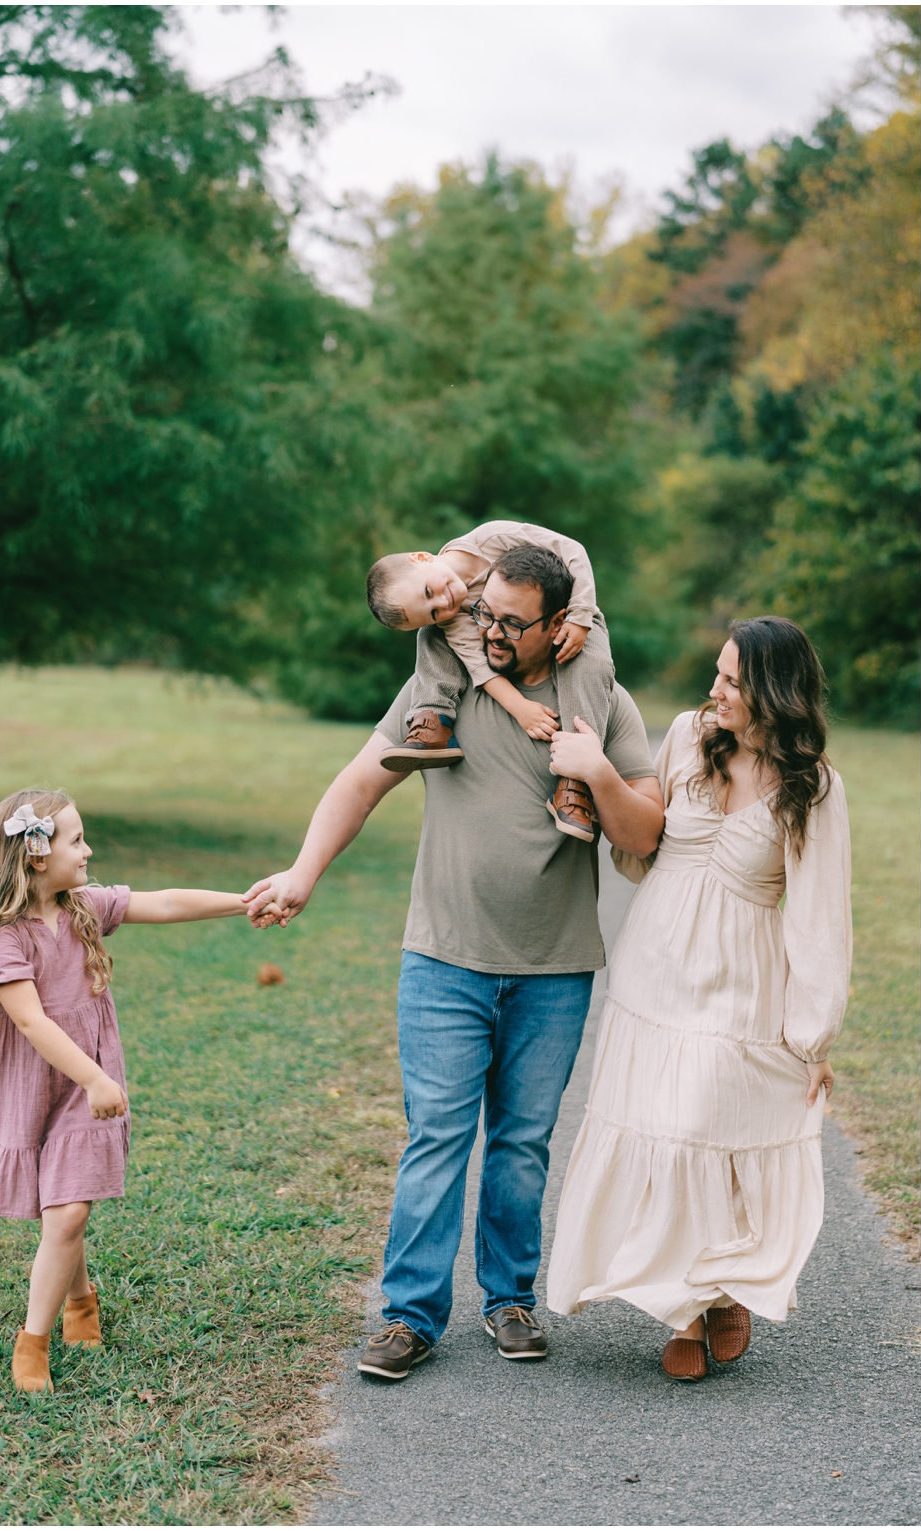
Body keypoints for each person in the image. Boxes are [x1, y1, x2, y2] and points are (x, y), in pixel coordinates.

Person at [244, 544, 664, 1379]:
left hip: (553, 966)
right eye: (486, 613)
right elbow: (359, 782)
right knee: (437, 1136)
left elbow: (645, 833)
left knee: (521, 1142)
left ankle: (509, 1299)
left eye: (513, 622)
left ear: (561, 624)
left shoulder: (604, 699)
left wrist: (597, 771)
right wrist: (302, 871)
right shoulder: (446, 680)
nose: (490, 629)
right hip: (443, 959)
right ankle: (409, 1317)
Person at [545, 616, 852, 1382]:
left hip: (741, 975)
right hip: (654, 965)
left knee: (703, 1127)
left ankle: (718, 1285)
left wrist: (812, 1038)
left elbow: (819, 916)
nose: (714, 690)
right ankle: (688, 1306)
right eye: (717, 672)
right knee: (658, 1127)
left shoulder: (812, 785)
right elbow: (640, 848)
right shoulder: (686, 735)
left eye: (733, 681)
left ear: (775, 695)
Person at [0, 789, 252, 1394]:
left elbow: (162, 902)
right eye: (77, 840)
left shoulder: (82, 906)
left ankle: (39, 1334)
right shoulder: (6, 939)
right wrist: (92, 1077)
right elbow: (33, 1023)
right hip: (48, 1086)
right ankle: (71, 1306)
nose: (89, 850)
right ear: (37, 855)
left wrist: (243, 902)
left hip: (89, 1083)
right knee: (65, 1208)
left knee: (70, 1206)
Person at [366, 520, 617, 842]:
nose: (443, 605)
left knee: (592, 664)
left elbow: (572, 551)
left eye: (429, 591)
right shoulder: (452, 617)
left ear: (421, 557)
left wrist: (580, 614)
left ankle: (576, 781)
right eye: (430, 610)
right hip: (504, 637)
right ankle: (433, 719)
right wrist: (521, 708)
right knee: (432, 636)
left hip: (572, 611)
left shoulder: (491, 537)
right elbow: (478, 667)